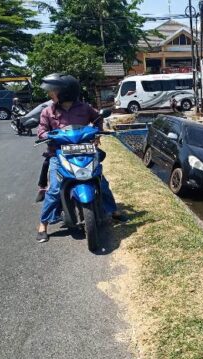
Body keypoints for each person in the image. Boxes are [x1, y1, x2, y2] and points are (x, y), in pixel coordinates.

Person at [36, 73, 123, 243]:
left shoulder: (84, 108)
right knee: (54, 188)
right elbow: (41, 131)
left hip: (85, 151)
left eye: (52, 91)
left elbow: (98, 118)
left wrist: (97, 133)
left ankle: (113, 211)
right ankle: (43, 224)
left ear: (64, 92)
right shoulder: (48, 111)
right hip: (58, 154)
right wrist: (47, 135)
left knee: (101, 182)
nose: (49, 94)